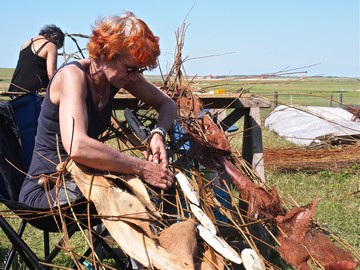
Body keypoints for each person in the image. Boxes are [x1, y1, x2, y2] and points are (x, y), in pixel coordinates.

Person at [19, 12, 177, 209]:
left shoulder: (117, 77)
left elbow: (168, 104)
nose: (135, 78)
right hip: (48, 189)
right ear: (105, 54)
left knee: (165, 185)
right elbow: (78, 147)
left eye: (139, 70)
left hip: (86, 179)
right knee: (137, 191)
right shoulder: (72, 76)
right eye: (130, 69)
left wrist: (158, 134)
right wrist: (142, 168)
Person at [8, 24, 65, 94]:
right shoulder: (50, 46)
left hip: (15, 88)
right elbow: (51, 74)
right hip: (33, 92)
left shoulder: (27, 42)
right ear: (55, 38)